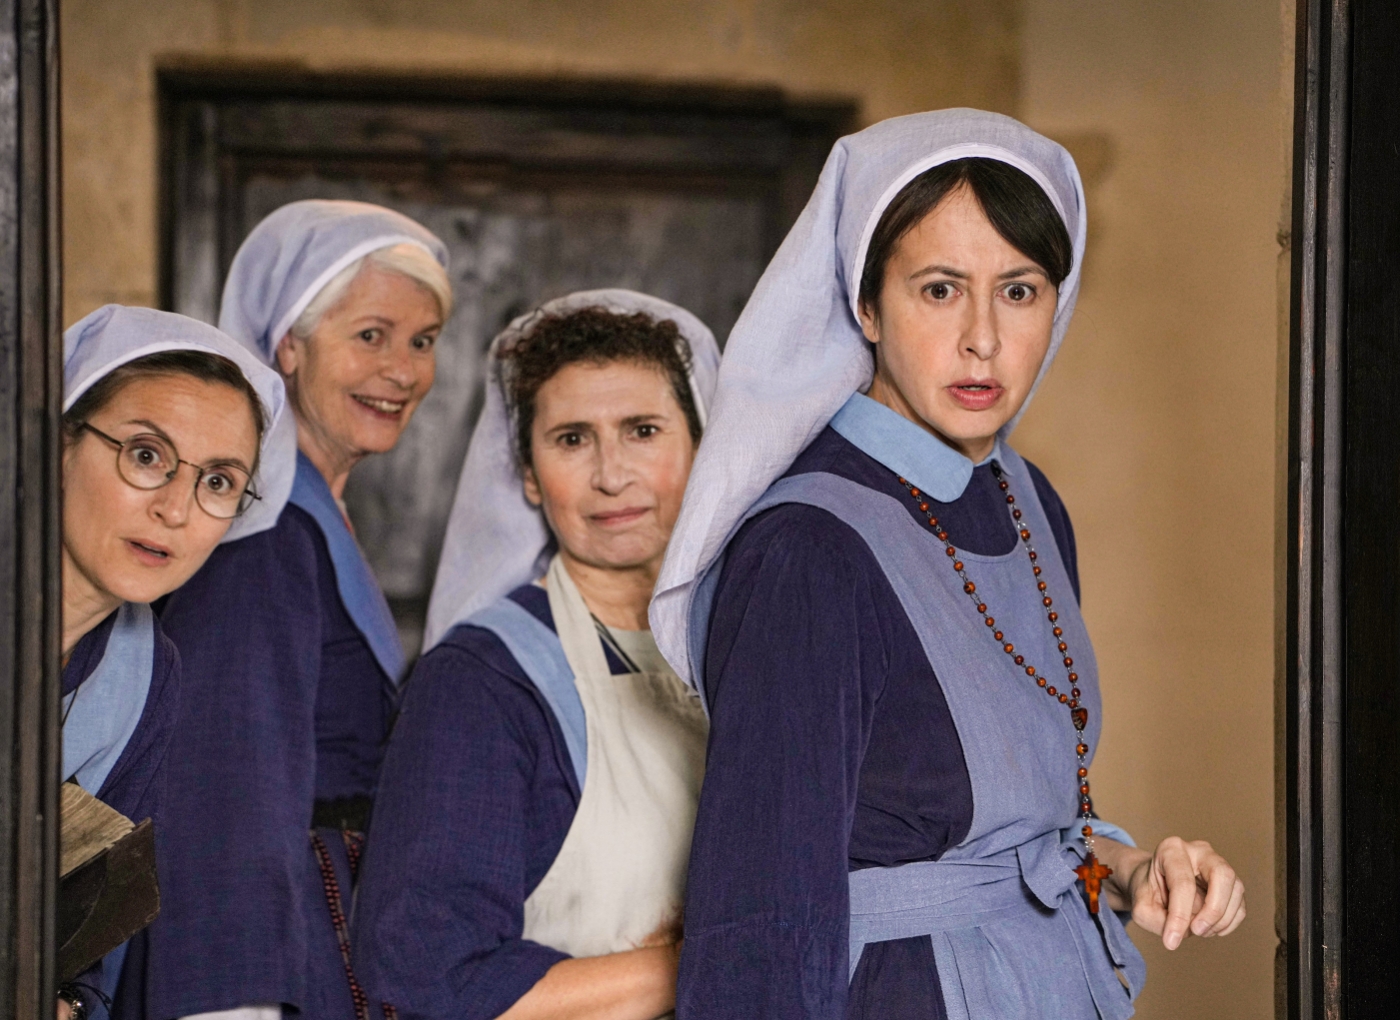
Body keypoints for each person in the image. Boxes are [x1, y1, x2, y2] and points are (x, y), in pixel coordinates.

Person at [649, 109, 1247, 1019]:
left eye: (1020, 290)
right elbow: (759, 928)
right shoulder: (807, 550)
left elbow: (1032, 833)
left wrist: (1128, 869)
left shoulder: (1026, 499)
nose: (983, 338)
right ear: (864, 305)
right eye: (939, 289)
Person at [118, 201, 452, 1020]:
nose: (402, 370)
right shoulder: (261, 539)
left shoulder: (311, 518)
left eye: (423, 340)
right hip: (271, 956)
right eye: (371, 335)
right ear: (289, 347)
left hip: (323, 925)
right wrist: (234, 1005)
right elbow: (221, 794)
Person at [352, 290, 720, 1020]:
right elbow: (429, 973)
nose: (611, 474)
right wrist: (709, 960)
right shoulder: (482, 682)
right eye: (572, 439)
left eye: (643, 431)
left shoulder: (750, 648)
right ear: (527, 473)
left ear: (701, 447)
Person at [57, 305, 287, 1020]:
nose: (176, 509)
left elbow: (83, 926)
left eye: (217, 482)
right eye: (147, 455)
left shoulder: (146, 674)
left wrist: (65, 1002)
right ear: (60, 443)